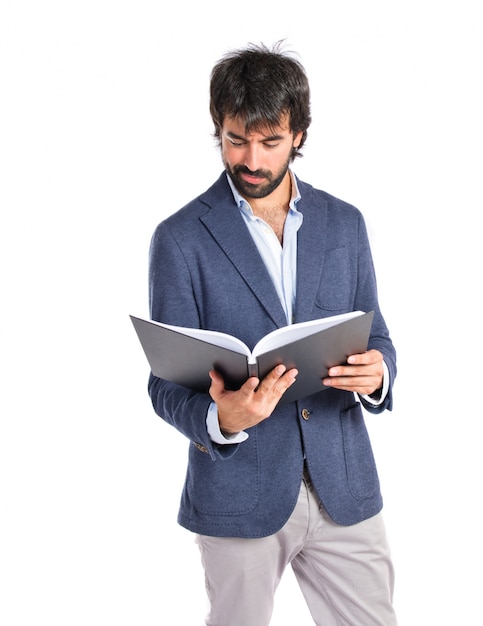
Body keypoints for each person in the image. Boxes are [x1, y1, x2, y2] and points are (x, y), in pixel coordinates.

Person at [147, 42, 398, 626]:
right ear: (219, 129)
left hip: (344, 483)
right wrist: (221, 420)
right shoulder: (179, 239)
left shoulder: (345, 223)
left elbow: (377, 332)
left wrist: (379, 371)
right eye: (236, 139)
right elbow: (164, 383)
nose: (251, 159)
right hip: (238, 492)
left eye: (270, 141)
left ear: (300, 135)